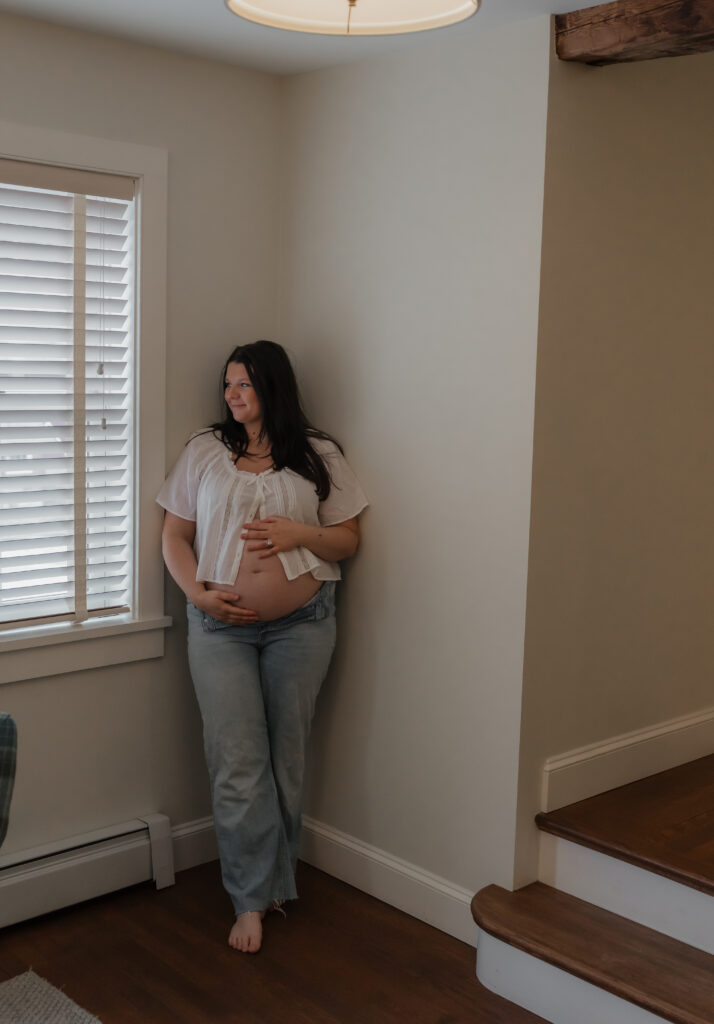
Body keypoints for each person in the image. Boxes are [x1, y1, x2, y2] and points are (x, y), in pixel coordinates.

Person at [157, 340, 367, 953]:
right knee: (235, 761)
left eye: (243, 384)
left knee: (286, 757)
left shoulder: (318, 453)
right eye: (227, 384)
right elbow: (174, 535)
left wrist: (300, 533)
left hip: (303, 624)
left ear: (272, 386)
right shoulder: (205, 449)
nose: (231, 394)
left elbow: (348, 538)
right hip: (219, 627)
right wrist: (198, 597)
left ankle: (274, 884)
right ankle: (250, 899)